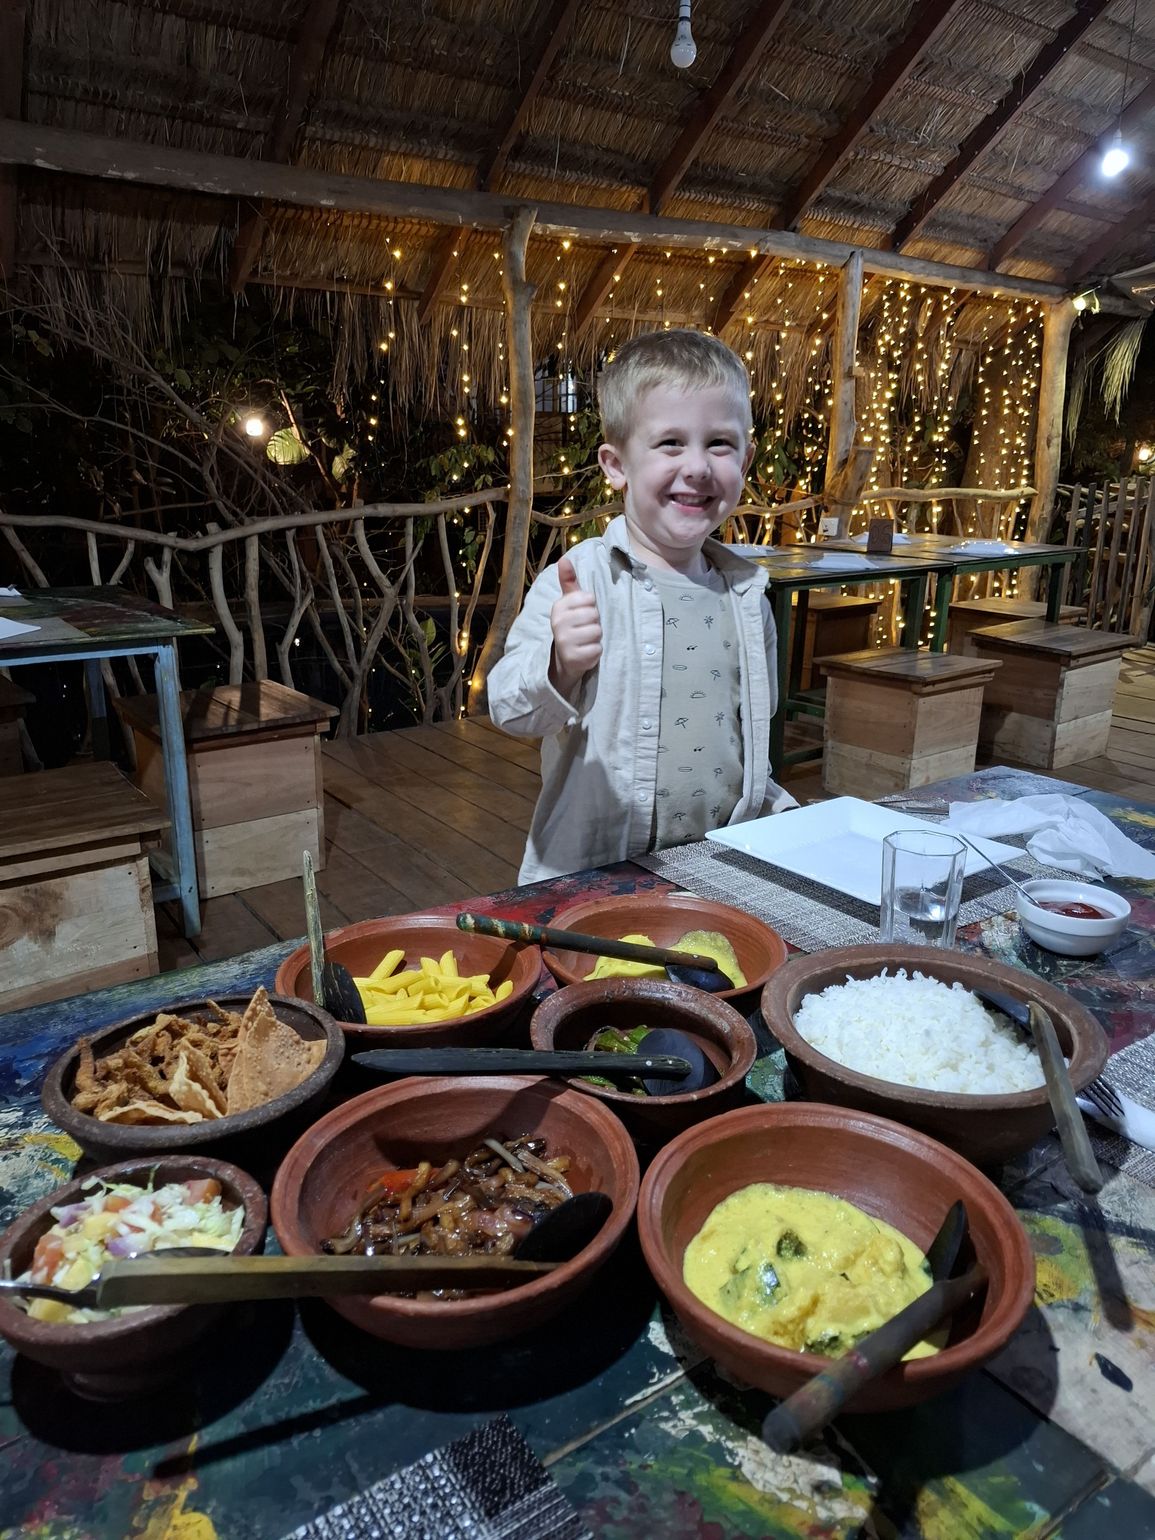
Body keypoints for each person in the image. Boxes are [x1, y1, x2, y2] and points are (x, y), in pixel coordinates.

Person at [487, 328, 796, 883]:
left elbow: (747, 743)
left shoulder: (748, 596)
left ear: (746, 458)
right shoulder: (582, 580)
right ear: (616, 464)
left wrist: (780, 817)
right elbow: (509, 709)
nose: (698, 466)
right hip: (595, 872)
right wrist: (559, 664)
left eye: (720, 443)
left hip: (721, 867)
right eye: (671, 443)